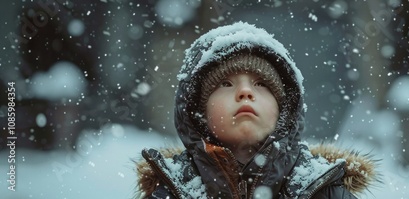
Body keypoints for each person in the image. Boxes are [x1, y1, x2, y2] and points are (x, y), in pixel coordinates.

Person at [135, 22, 377, 198]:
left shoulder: (323, 189)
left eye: (261, 84)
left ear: (285, 110)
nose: (245, 92)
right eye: (225, 83)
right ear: (197, 112)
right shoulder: (171, 189)